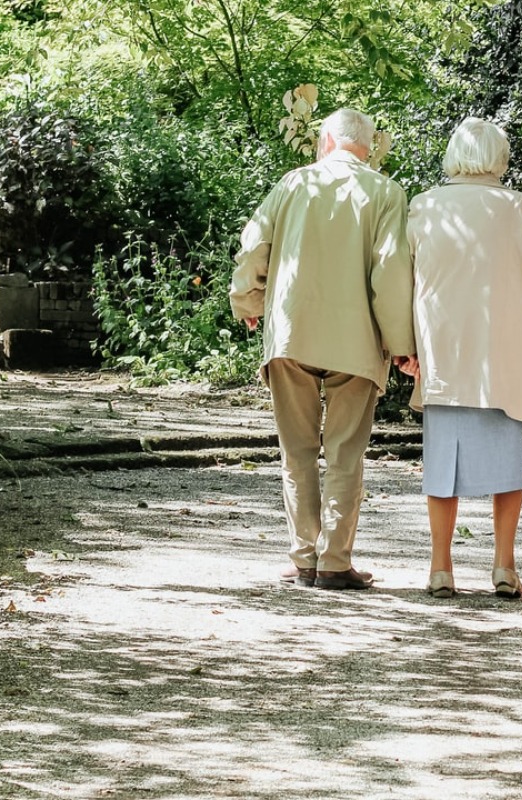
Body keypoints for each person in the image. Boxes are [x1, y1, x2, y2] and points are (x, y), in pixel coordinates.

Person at [230, 108, 416, 591]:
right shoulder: (386, 193)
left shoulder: (292, 184)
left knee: (297, 452)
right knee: (345, 454)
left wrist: (247, 300)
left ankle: (303, 558)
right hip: (356, 341)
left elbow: (254, 248)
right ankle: (334, 562)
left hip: (292, 334)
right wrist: (401, 345)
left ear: (327, 140)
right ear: (369, 147)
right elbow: (391, 272)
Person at [400, 117, 522, 599]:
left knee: (441, 466)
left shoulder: (424, 207)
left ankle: (440, 568)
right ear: (500, 158)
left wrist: (405, 348)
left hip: (444, 354)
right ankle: (503, 565)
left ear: (454, 155)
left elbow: (403, 285)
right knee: (507, 465)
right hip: (505, 356)